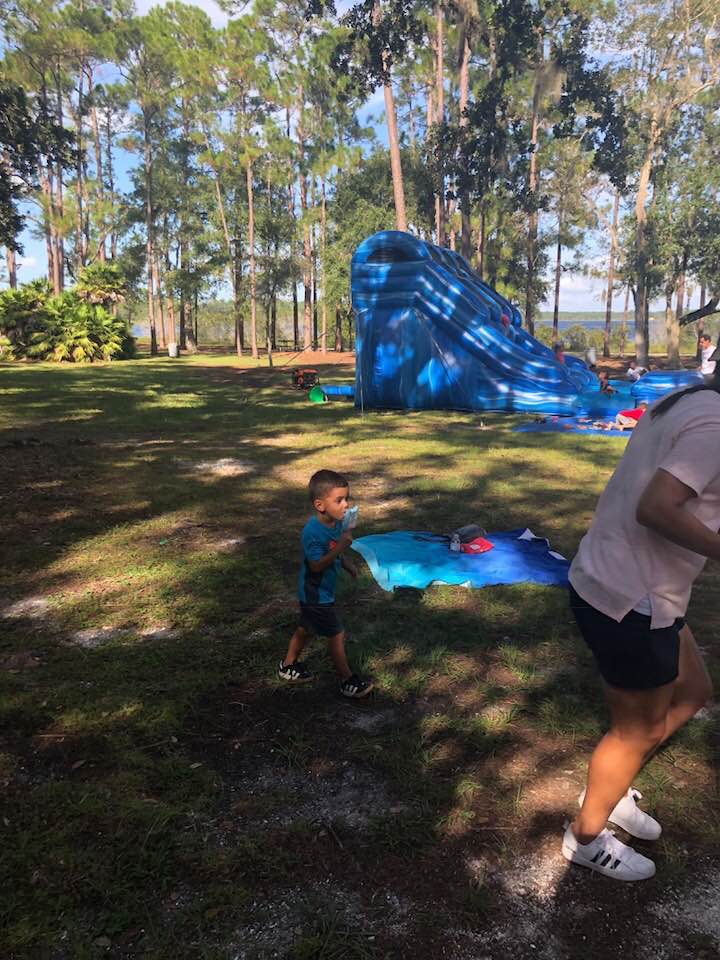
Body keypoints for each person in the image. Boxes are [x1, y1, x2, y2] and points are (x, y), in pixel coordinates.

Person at [563, 373, 718, 881]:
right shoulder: (713, 421)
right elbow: (656, 507)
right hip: (632, 598)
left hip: (626, 583)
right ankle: (585, 838)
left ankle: (609, 788)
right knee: (638, 728)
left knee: (692, 690)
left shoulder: (689, 400)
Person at [279, 469, 374, 698]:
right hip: (315, 594)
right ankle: (347, 680)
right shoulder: (312, 532)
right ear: (320, 505)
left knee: (306, 628)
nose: (345, 505)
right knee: (336, 634)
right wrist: (342, 547)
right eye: (339, 500)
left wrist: (346, 563)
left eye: (346, 498)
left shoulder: (336, 525)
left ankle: (287, 665)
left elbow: (333, 549)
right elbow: (316, 566)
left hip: (321, 593)